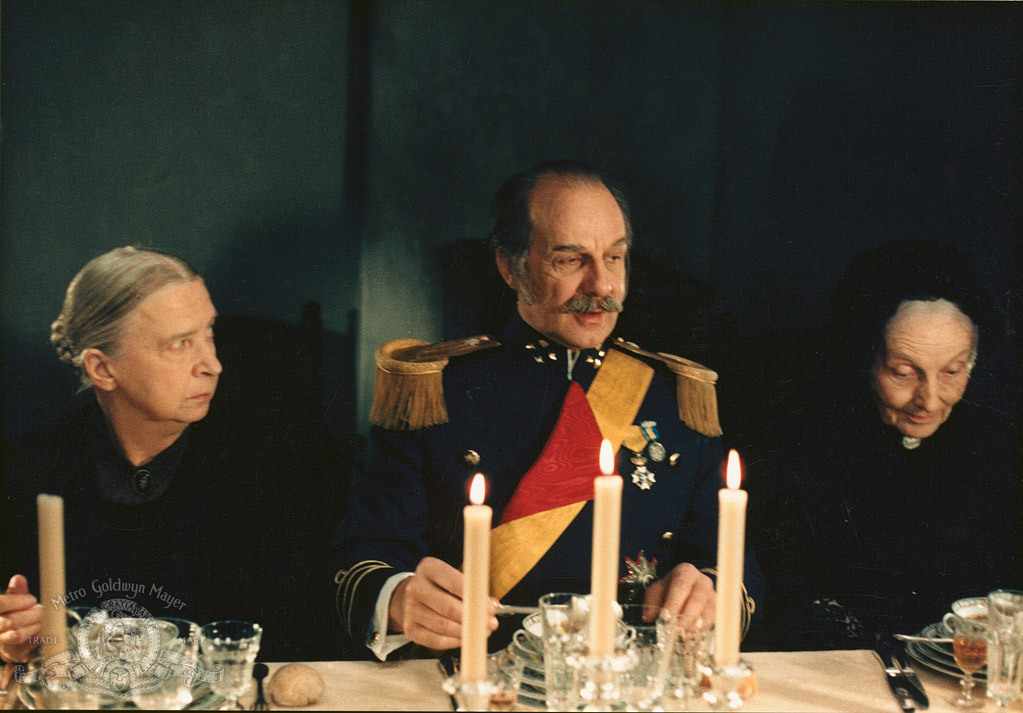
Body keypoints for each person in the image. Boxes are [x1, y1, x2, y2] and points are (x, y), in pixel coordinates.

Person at [333, 160, 764, 660]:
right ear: (510, 268)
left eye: (616, 258)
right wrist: (399, 599)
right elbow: (364, 557)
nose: (601, 285)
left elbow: (734, 566)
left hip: (637, 676)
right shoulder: (433, 392)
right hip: (480, 674)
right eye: (570, 259)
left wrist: (712, 591)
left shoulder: (677, 394)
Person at [0, 246, 333, 664]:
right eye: (179, 344)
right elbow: (17, 635)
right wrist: (13, 640)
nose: (213, 364)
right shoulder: (20, 472)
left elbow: (300, 638)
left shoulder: (269, 467)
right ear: (102, 369)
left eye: (209, 333)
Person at [756, 241, 1021, 649]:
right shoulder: (800, 440)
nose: (930, 400)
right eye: (902, 372)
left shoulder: (1000, 446)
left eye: (953, 371)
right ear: (867, 355)